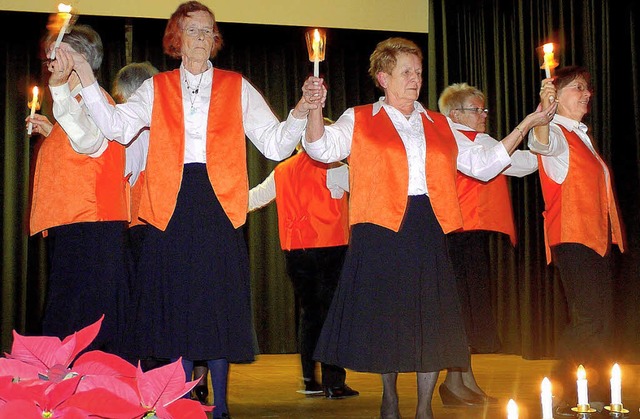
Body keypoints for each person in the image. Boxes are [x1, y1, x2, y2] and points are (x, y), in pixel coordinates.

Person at [66, 2, 320, 417]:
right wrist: (87, 76)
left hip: (219, 207)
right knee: (177, 306)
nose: (202, 38)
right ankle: (182, 400)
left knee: (216, 304)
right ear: (177, 39)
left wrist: (299, 111)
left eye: (208, 31)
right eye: (193, 31)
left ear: (215, 39)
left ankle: (220, 406)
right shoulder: (156, 87)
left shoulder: (236, 85)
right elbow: (116, 127)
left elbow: (274, 144)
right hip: (170, 205)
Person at [304, 37, 556, 419]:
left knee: (432, 319)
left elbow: (484, 164)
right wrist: (312, 109)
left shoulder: (439, 123)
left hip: (427, 225)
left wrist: (528, 123)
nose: (415, 79)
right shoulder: (358, 118)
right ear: (383, 78)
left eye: (419, 72)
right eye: (406, 72)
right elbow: (321, 150)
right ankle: (390, 397)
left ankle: (424, 407)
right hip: (380, 229)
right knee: (389, 317)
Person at [27, 24, 130, 357]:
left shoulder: (93, 98)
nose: (51, 62)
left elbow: (90, 141)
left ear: (80, 58)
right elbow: (80, 146)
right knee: (72, 317)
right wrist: (53, 131)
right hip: (74, 225)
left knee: (83, 323)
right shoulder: (73, 100)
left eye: (58, 53)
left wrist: (57, 95)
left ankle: (86, 394)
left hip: (92, 225)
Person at [529, 66, 625, 417]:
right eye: (578, 88)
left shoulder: (580, 134)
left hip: (596, 238)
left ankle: (582, 390)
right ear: (557, 95)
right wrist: (543, 112)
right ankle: (574, 389)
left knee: (596, 319)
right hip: (572, 237)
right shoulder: (555, 132)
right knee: (589, 319)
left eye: (587, 88)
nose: (587, 94)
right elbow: (539, 142)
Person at [436, 82, 539, 406]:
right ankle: (454, 385)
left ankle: (465, 382)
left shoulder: (481, 140)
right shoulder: (446, 137)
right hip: (451, 234)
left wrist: (547, 136)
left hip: (473, 233)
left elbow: (522, 164)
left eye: (484, 109)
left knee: (472, 309)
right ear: (455, 114)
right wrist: (528, 125)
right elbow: (482, 165)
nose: (484, 115)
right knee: (459, 310)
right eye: (476, 110)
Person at [248, 130, 358, 399]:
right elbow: (367, 189)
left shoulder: (282, 171)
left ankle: (310, 379)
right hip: (330, 247)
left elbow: (254, 199)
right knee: (332, 314)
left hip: (295, 249)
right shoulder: (333, 168)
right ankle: (334, 381)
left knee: (310, 314)